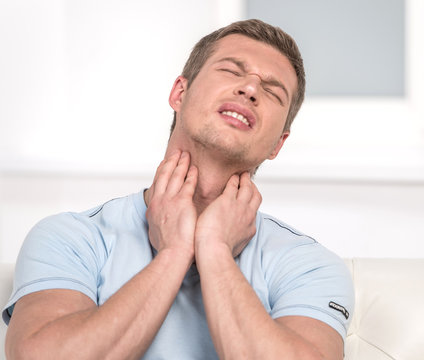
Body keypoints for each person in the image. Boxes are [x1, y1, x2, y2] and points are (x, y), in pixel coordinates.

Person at [3, 19, 354, 359]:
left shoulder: (311, 266)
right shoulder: (70, 237)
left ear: (278, 144)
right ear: (179, 93)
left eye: (272, 91)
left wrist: (214, 250)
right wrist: (174, 253)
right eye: (232, 71)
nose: (250, 89)